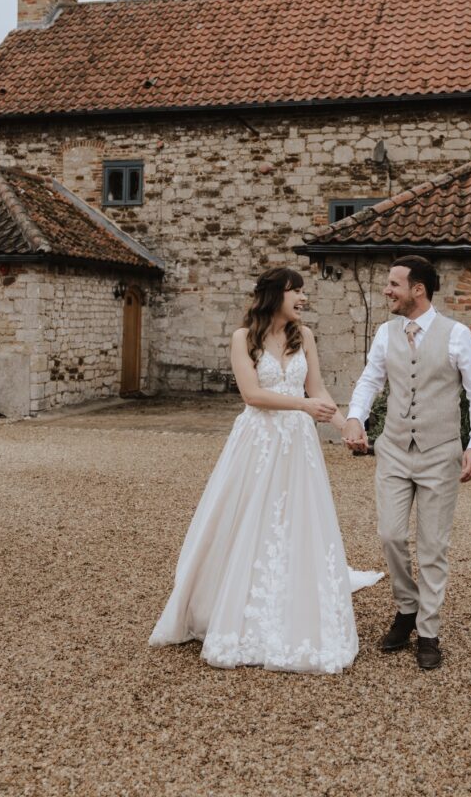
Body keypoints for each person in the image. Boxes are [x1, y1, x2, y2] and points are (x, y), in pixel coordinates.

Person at [149, 267, 382, 674]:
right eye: (297, 291)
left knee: (296, 520)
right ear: (275, 294)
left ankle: (293, 602)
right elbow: (252, 394)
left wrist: (344, 423)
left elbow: (318, 390)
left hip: (298, 445)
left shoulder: (303, 336)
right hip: (258, 441)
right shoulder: (244, 338)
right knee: (248, 518)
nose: (303, 298)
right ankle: (230, 607)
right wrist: (304, 407)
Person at [342, 256, 471, 670]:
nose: (387, 290)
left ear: (418, 290)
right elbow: (371, 380)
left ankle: (428, 630)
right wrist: (356, 416)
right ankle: (406, 607)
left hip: (440, 454)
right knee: (391, 536)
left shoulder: (456, 336)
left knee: (432, 548)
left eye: (394, 284)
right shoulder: (385, 333)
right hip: (392, 450)